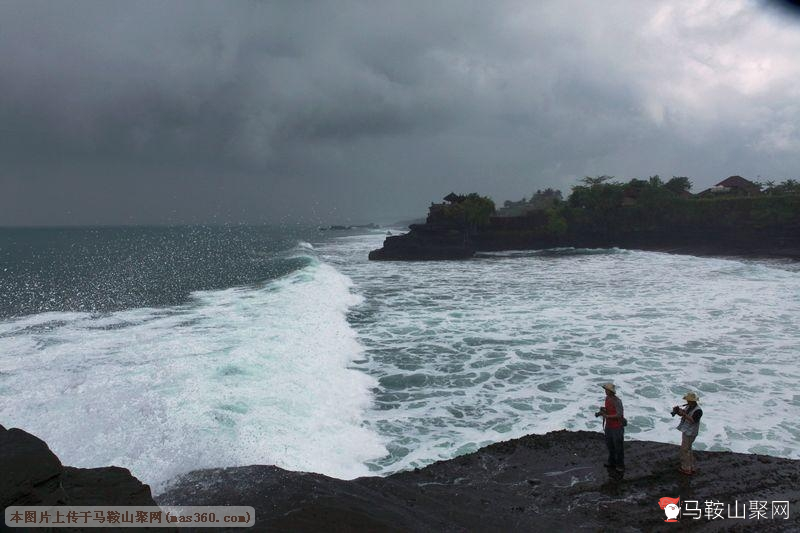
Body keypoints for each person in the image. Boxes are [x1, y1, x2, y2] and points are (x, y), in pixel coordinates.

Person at [674, 392, 703, 475]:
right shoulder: (689, 407)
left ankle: (686, 468)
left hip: (691, 432)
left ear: (692, 401)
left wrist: (683, 413)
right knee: (688, 449)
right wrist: (678, 411)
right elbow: (684, 415)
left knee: (685, 450)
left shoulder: (698, 411)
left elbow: (693, 420)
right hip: (687, 430)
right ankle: (691, 467)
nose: (687, 401)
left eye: (688, 400)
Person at [599, 383, 624, 472]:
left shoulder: (617, 401)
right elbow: (609, 409)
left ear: (610, 391)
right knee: (610, 445)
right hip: (609, 426)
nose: (605, 391)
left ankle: (620, 466)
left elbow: (619, 414)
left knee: (618, 447)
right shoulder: (607, 398)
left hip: (617, 427)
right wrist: (603, 410)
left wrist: (607, 416)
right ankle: (612, 463)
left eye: (606, 390)